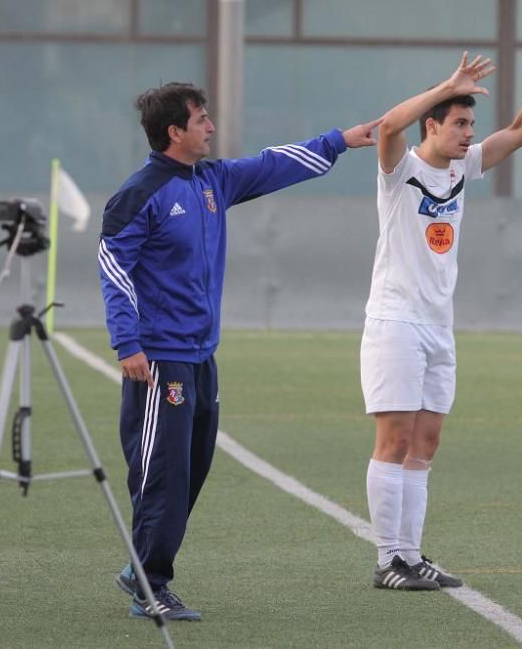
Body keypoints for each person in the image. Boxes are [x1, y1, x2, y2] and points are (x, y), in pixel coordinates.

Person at [99, 81, 382, 620]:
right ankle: (148, 583)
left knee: (194, 469)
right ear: (174, 132)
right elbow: (114, 268)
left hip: (203, 357)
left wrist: (340, 140)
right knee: (163, 473)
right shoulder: (139, 193)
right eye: (201, 119)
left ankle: (142, 565)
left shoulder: (211, 181)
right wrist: (127, 341)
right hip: (160, 360)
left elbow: (272, 164)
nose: (210, 127)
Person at [360, 50, 522, 591]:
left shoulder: (462, 168)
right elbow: (388, 125)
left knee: (427, 442)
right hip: (395, 322)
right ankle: (387, 558)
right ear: (432, 124)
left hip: (439, 326)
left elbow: (521, 133)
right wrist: (446, 85)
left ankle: (411, 555)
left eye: (470, 125)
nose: (467, 134)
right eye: (458, 123)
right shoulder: (401, 170)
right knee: (393, 440)